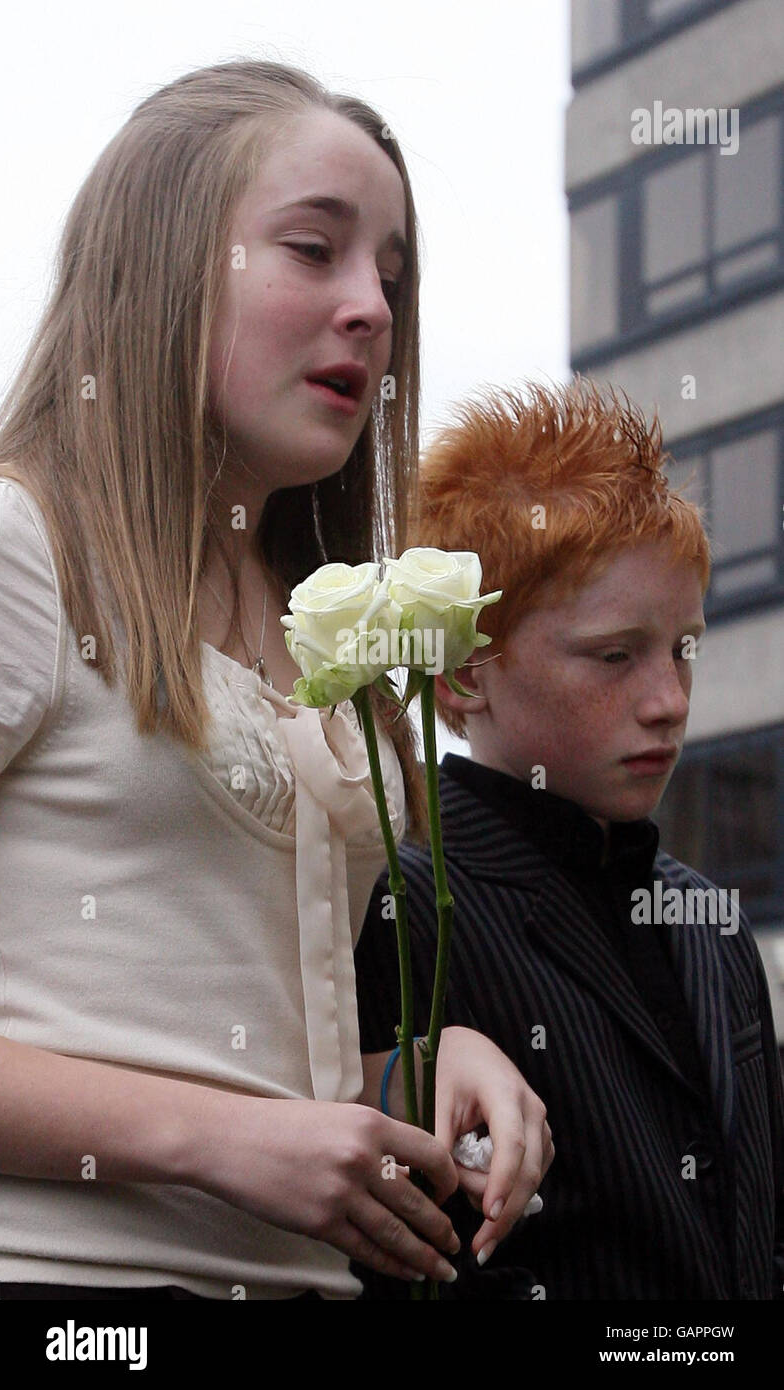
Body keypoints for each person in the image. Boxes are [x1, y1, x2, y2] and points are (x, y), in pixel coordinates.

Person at [0, 60, 553, 1301]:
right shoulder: (20, 551)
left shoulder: (332, 634)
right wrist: (224, 1138)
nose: (371, 307)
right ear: (161, 266)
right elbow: (231, 1129)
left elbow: (242, 1078)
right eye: (314, 250)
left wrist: (409, 1071)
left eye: (392, 277)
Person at [354, 379, 784, 1300]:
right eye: (615, 655)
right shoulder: (398, 907)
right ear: (463, 680)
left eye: (684, 648)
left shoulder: (708, 920)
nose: (669, 698)